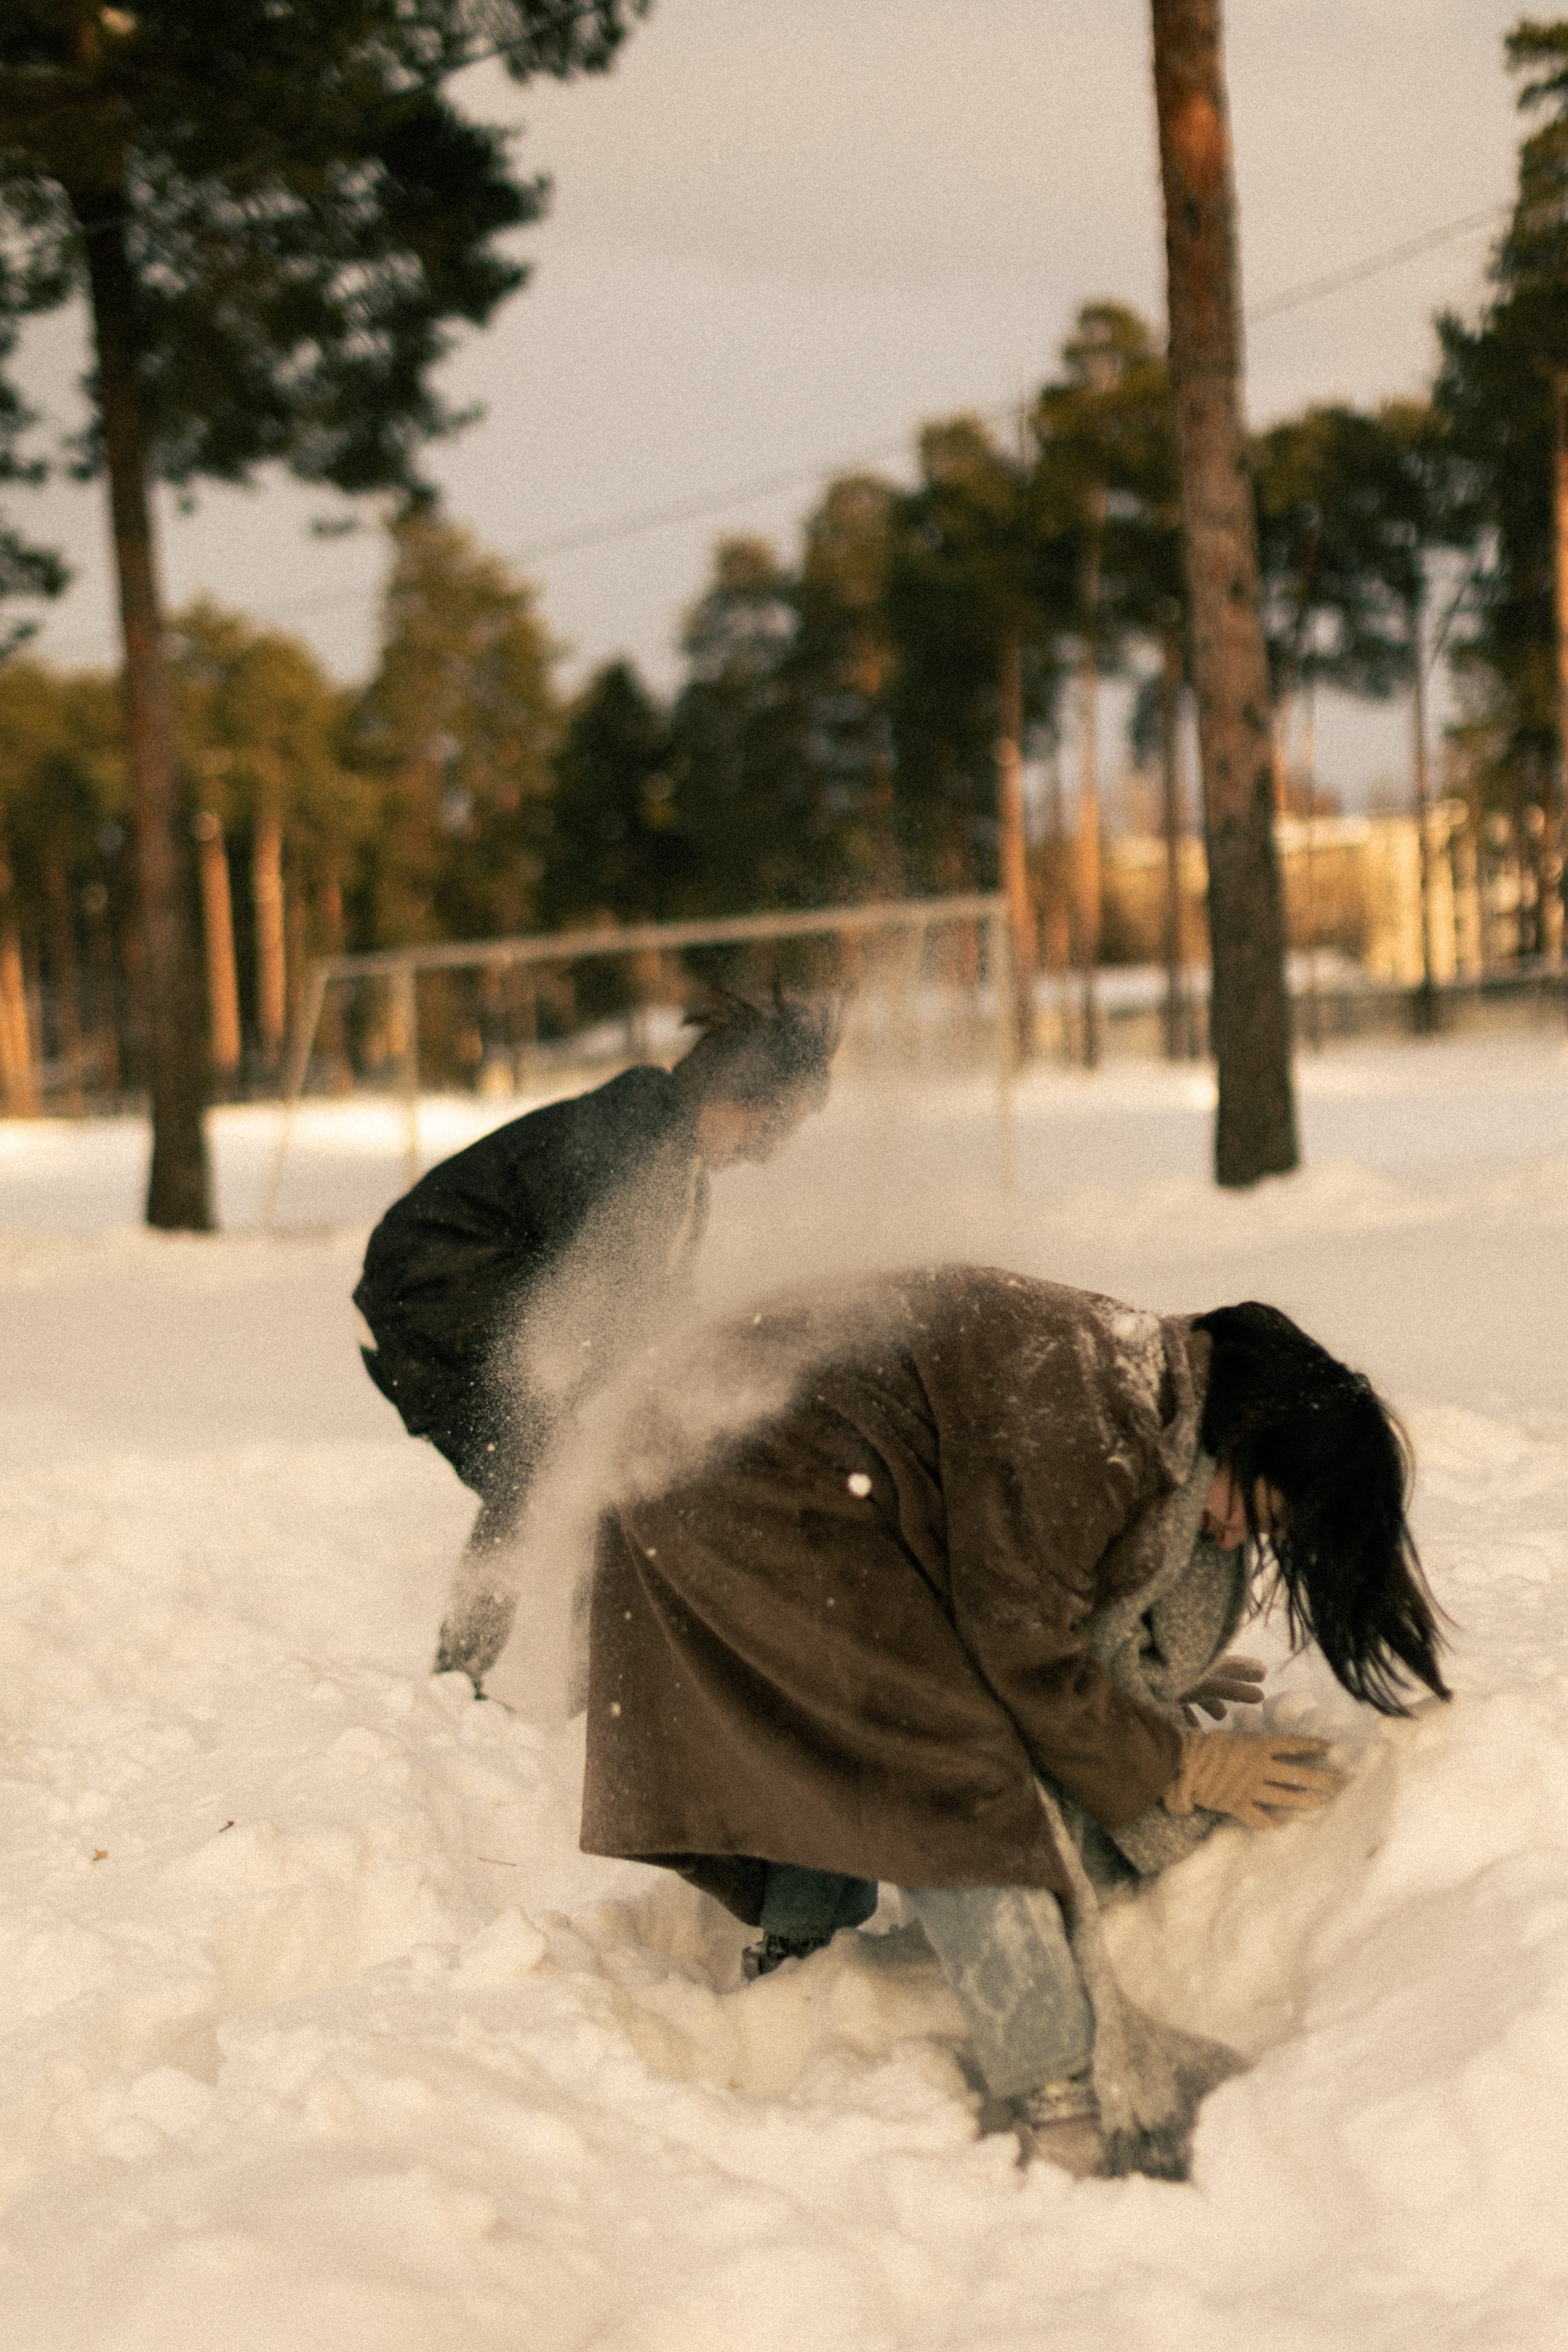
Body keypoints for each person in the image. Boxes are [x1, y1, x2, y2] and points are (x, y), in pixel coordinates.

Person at [579, 1271, 1447, 2181]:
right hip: (741, 1465)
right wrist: (1174, 1762)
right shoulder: (1097, 1426)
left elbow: (1040, 1591)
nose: (1233, 1541)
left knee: (862, 1715)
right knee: (952, 1765)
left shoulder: (1144, 1394)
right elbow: (1023, 1656)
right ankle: (1062, 2097)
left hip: (718, 1438)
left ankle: (800, 1968)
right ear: (1245, 1439)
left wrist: (1136, 1703)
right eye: (1254, 1513)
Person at [354, 988, 840, 1692]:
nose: (769, 1153)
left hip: (446, 1293)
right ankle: (526, 1681)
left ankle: (548, 1678)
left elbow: (657, 1304)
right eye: (774, 1127)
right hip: (435, 1287)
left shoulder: (670, 1154)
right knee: (567, 1465)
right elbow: (616, 1298)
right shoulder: (643, 1138)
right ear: (739, 1097)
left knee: (574, 1466)